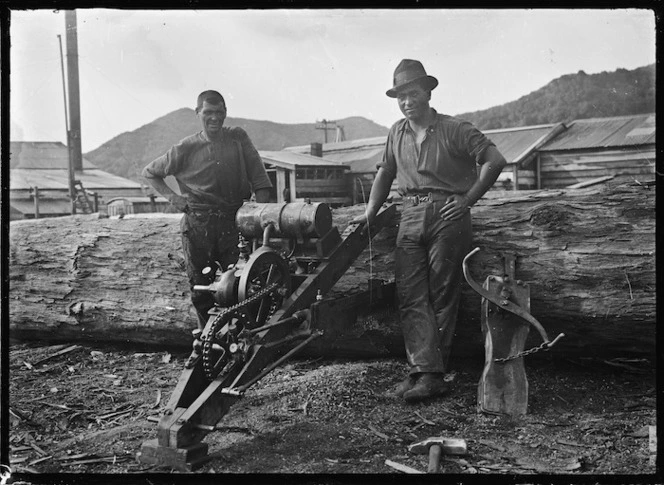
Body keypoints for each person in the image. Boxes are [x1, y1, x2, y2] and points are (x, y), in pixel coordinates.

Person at [357, 59, 507, 403]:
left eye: (412, 93)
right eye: (400, 96)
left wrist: (468, 200)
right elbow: (385, 173)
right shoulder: (396, 131)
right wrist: (369, 214)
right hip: (409, 214)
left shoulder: (455, 129)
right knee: (409, 295)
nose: (406, 101)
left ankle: (432, 375)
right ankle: (419, 371)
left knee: (442, 293)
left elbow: (495, 160)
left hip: (447, 216)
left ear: (427, 92)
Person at [142, 90, 273, 329]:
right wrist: (175, 200)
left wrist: (258, 217)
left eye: (220, 112)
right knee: (201, 289)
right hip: (199, 225)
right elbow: (151, 172)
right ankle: (208, 344)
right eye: (208, 112)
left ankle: (243, 339)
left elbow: (260, 180)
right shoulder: (186, 147)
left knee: (243, 284)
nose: (215, 118)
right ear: (198, 113)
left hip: (234, 224)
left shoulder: (237, 138)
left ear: (225, 113)